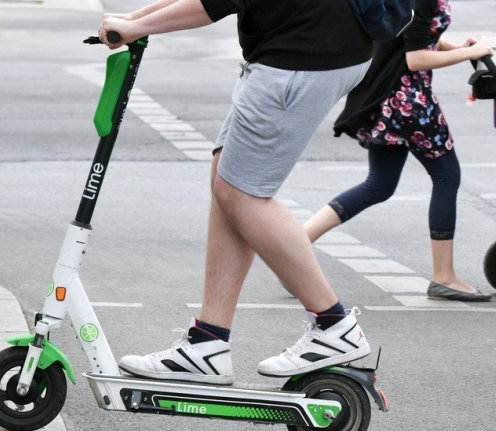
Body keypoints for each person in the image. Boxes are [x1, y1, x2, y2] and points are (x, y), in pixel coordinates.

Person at [98, 0, 375, 384]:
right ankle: (208, 342)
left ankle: (334, 325)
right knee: (226, 180)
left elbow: (212, 3)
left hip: (299, 56)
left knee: (243, 195)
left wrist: (138, 26)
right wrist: (136, 19)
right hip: (310, 48)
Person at [301, 0, 493, 302]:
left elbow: (414, 33)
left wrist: (455, 46)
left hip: (387, 98)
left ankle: (296, 244)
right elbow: (415, 58)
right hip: (408, 101)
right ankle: (444, 276)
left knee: (379, 184)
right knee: (447, 176)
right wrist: (470, 52)